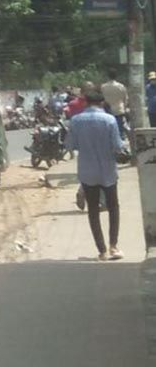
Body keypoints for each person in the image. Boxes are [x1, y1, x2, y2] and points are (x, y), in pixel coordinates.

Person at [65, 91, 124, 261]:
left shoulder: (76, 121)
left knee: (93, 210)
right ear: (102, 102)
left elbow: (70, 145)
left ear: (86, 103)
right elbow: (118, 146)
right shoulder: (110, 120)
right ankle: (114, 246)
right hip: (108, 170)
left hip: (87, 170)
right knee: (113, 207)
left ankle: (102, 251)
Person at [101, 69, 128, 137]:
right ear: (116, 76)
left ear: (107, 76)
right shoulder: (121, 86)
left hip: (107, 110)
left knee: (108, 131)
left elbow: (101, 99)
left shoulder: (103, 87)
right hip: (119, 110)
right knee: (119, 130)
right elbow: (125, 99)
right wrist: (124, 108)